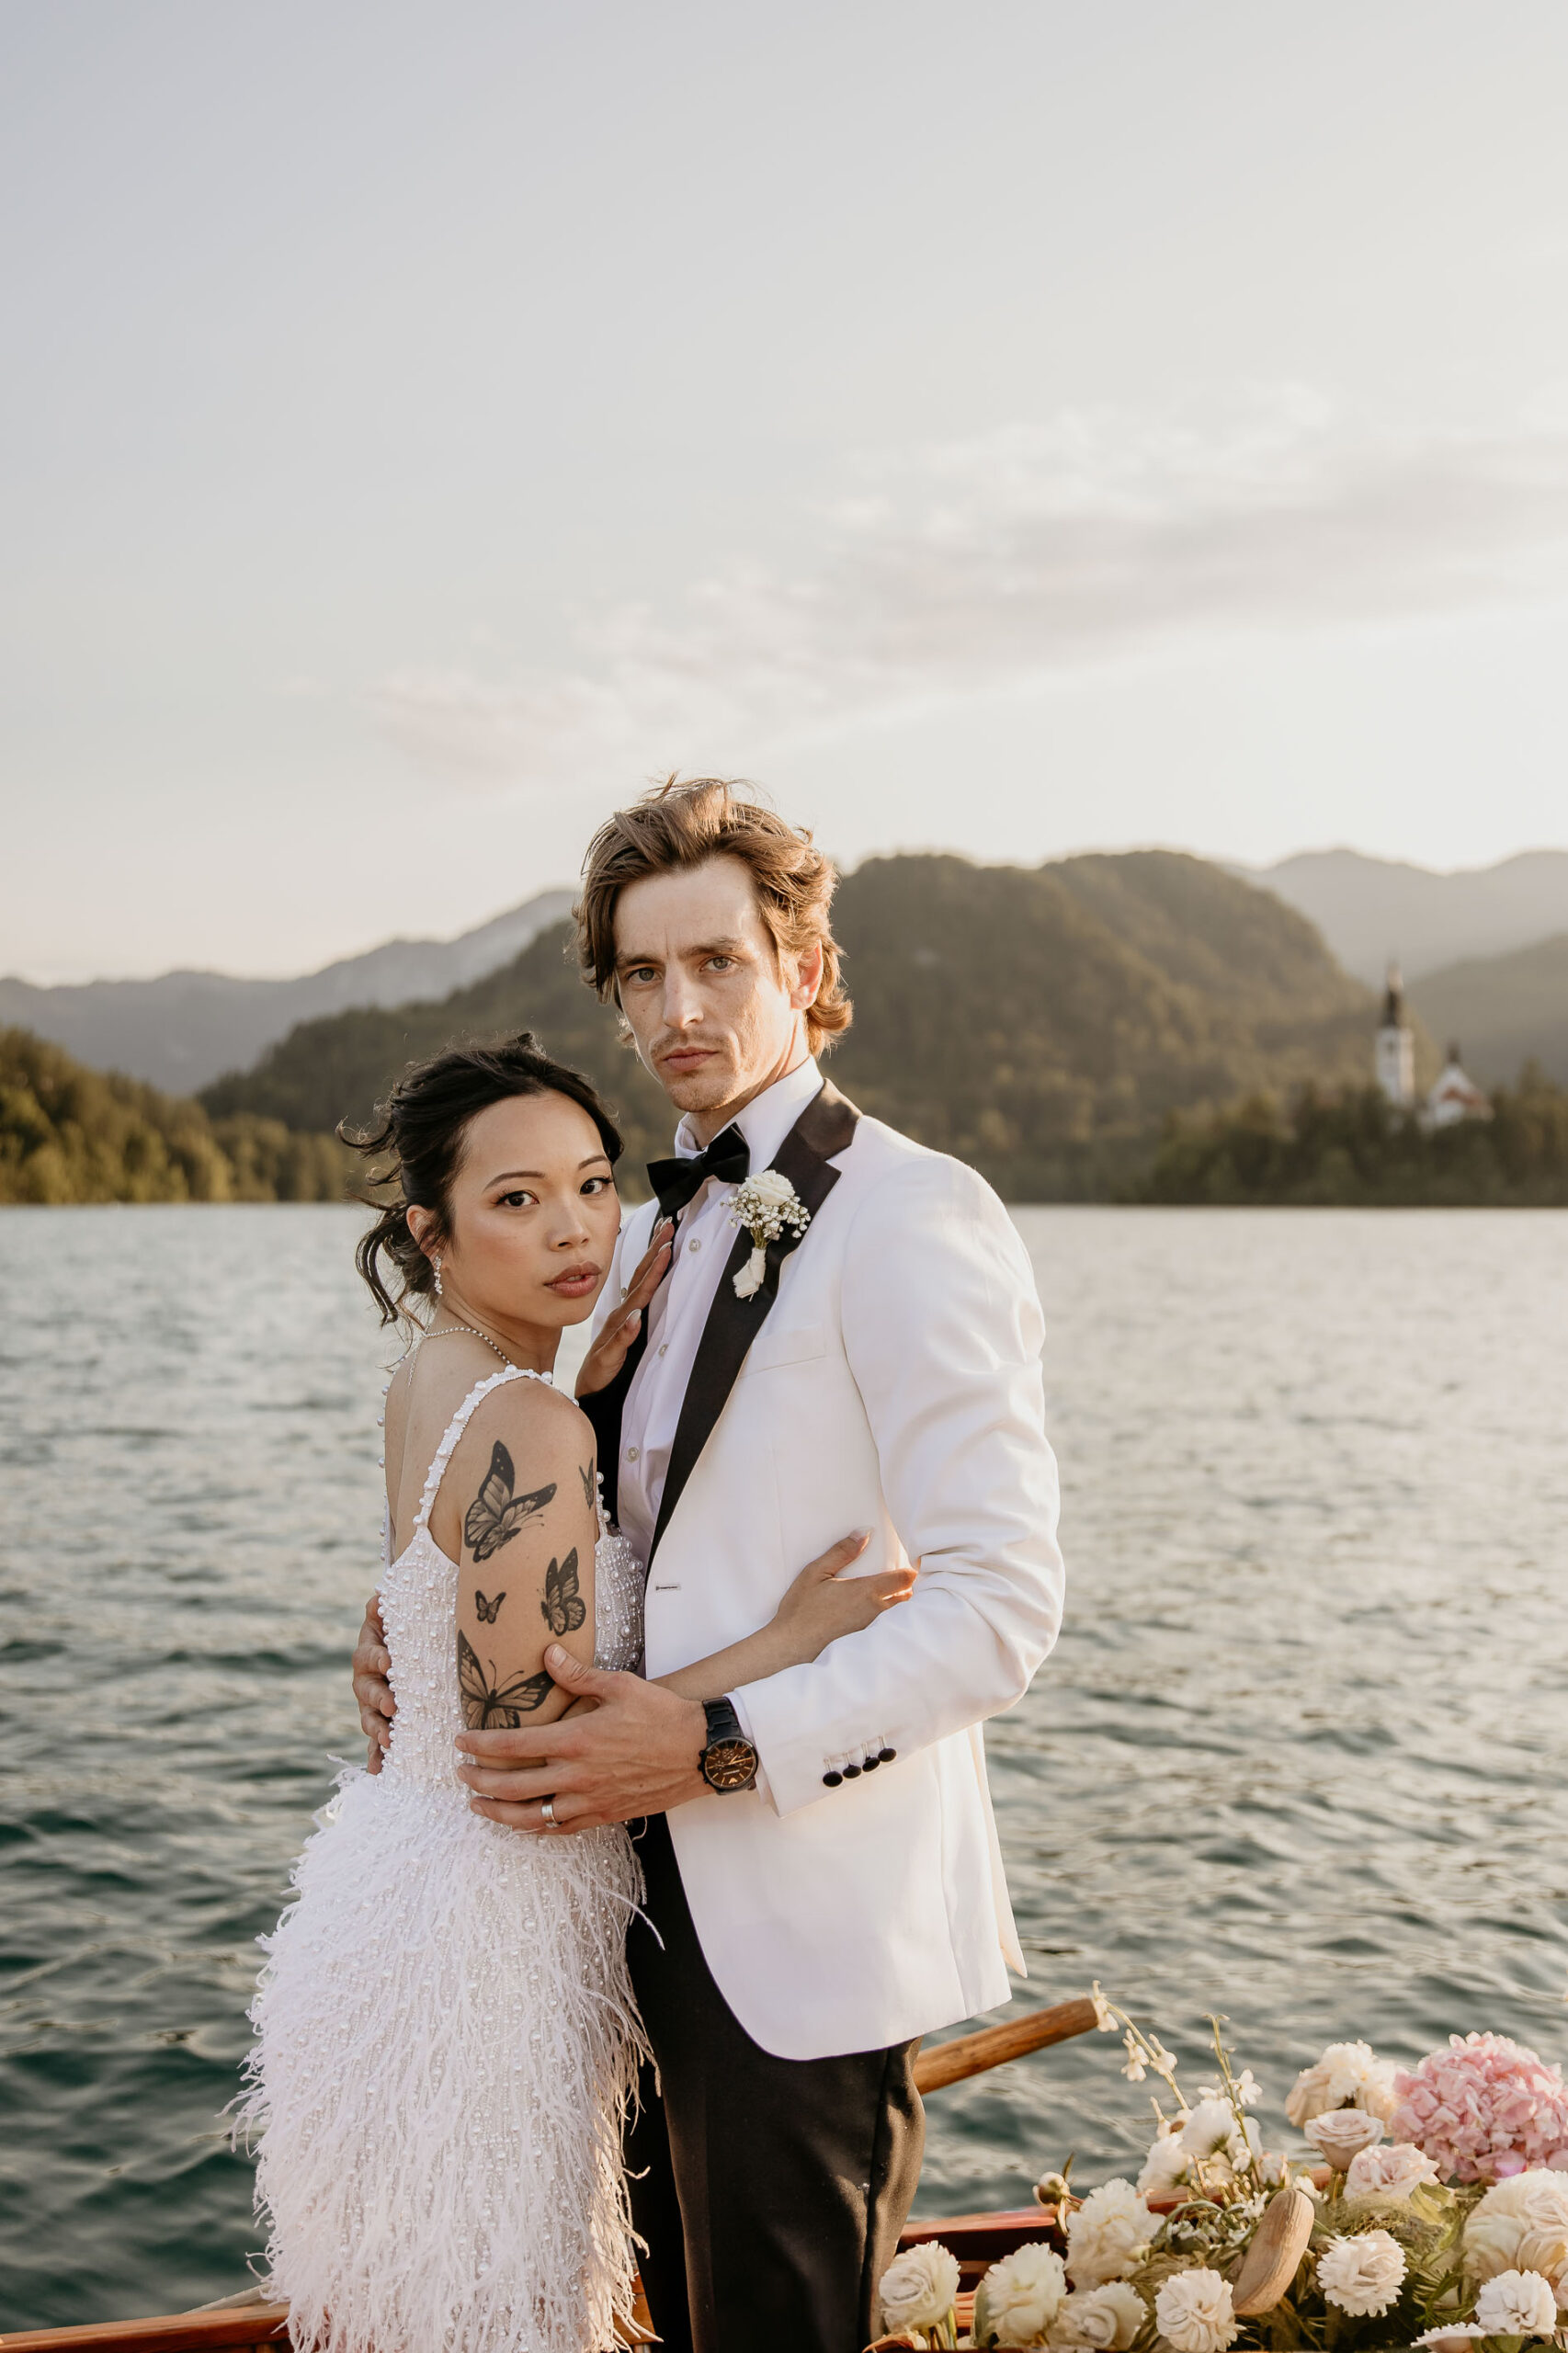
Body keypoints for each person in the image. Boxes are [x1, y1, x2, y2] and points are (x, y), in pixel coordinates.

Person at [356, 779, 1067, 2353]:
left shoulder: (913, 1215)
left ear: (804, 968)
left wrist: (716, 1741)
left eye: (717, 963)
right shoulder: (618, 1233)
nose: (677, 1009)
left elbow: (1001, 1606)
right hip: (593, 1905)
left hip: (796, 1913)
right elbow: (565, 1512)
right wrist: (408, 1617)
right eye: (640, 973)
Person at [243, 1033, 912, 2353]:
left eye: (595, 1183)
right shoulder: (529, 1426)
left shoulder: (440, 1385)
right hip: (484, 1944)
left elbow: (445, 1613)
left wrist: (583, 1389)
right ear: (432, 1233)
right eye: (517, 1199)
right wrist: (787, 1641)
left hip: (393, 1893)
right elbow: (532, 1754)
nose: (576, 1230)